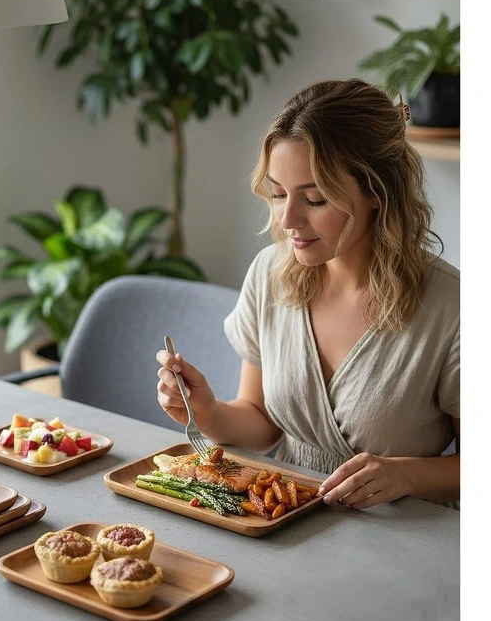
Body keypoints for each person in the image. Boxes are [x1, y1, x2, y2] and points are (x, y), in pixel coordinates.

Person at [156, 78, 459, 508]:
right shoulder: (270, 275)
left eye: (315, 199)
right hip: (284, 517)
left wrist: (403, 475)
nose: (288, 219)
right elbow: (262, 425)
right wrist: (206, 412)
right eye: (278, 194)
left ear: (377, 192)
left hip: (405, 536)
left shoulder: (453, 307)